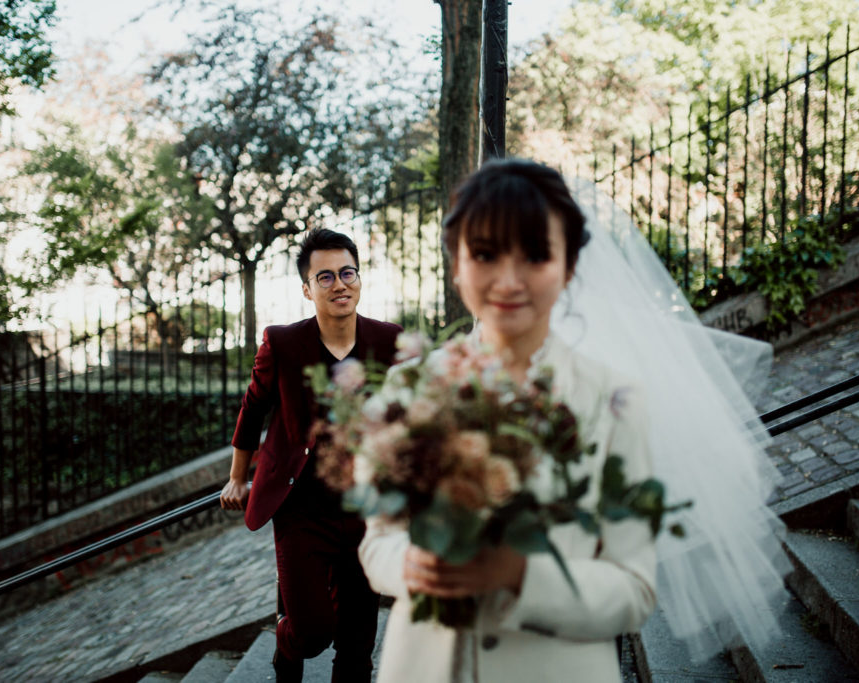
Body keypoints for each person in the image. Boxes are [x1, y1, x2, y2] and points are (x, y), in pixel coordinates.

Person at [358, 159, 789, 682]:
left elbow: (633, 590)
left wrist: (521, 577)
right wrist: (408, 564)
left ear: (568, 267)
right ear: (457, 264)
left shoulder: (615, 401)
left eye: (535, 255)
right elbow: (377, 542)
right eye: (486, 254)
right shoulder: (409, 389)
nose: (509, 280)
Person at [220, 227, 402, 683]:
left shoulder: (389, 341)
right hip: (300, 507)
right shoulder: (282, 343)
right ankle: (288, 643)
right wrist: (238, 477)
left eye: (347, 272)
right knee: (314, 631)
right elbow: (253, 408)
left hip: (365, 507)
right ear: (307, 289)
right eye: (325, 277)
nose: (340, 284)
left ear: (359, 279)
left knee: (358, 646)